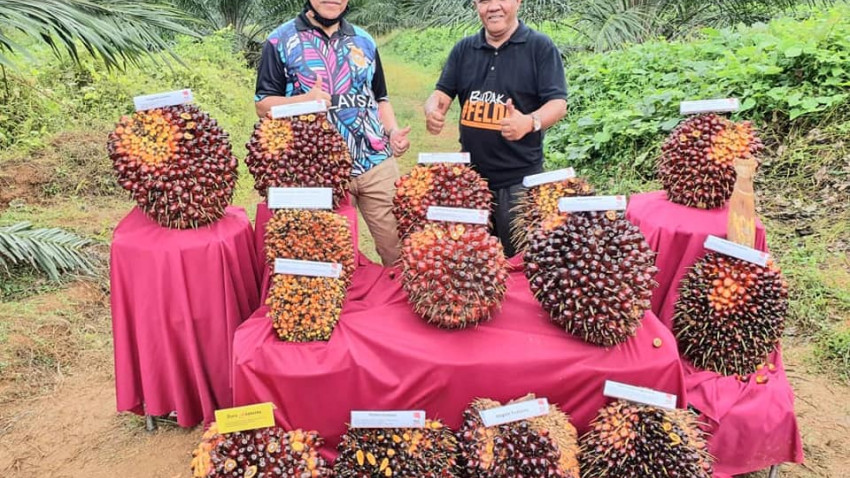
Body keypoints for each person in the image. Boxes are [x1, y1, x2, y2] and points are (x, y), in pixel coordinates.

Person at [255, 0, 410, 266]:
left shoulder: (363, 40)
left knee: (400, 248)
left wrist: (392, 130)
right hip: (317, 169)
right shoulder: (280, 40)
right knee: (331, 256)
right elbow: (262, 105)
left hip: (375, 163)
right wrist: (305, 100)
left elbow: (379, 98)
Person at [424, 0, 567, 258]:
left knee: (522, 263)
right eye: (484, 1)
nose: (493, 7)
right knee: (474, 262)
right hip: (470, 182)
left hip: (520, 183)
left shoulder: (539, 47)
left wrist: (529, 122)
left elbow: (558, 103)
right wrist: (433, 110)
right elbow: (441, 93)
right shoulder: (464, 49)